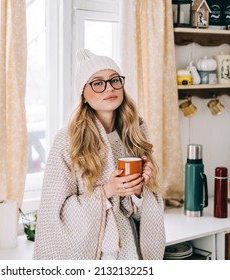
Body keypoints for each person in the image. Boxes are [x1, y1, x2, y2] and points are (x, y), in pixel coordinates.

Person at [33, 49, 165, 260]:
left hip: (129, 251)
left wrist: (140, 190)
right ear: (83, 94)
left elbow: (138, 214)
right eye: (97, 83)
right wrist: (106, 191)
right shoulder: (68, 140)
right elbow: (54, 216)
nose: (109, 88)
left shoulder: (133, 132)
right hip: (99, 255)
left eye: (114, 80)